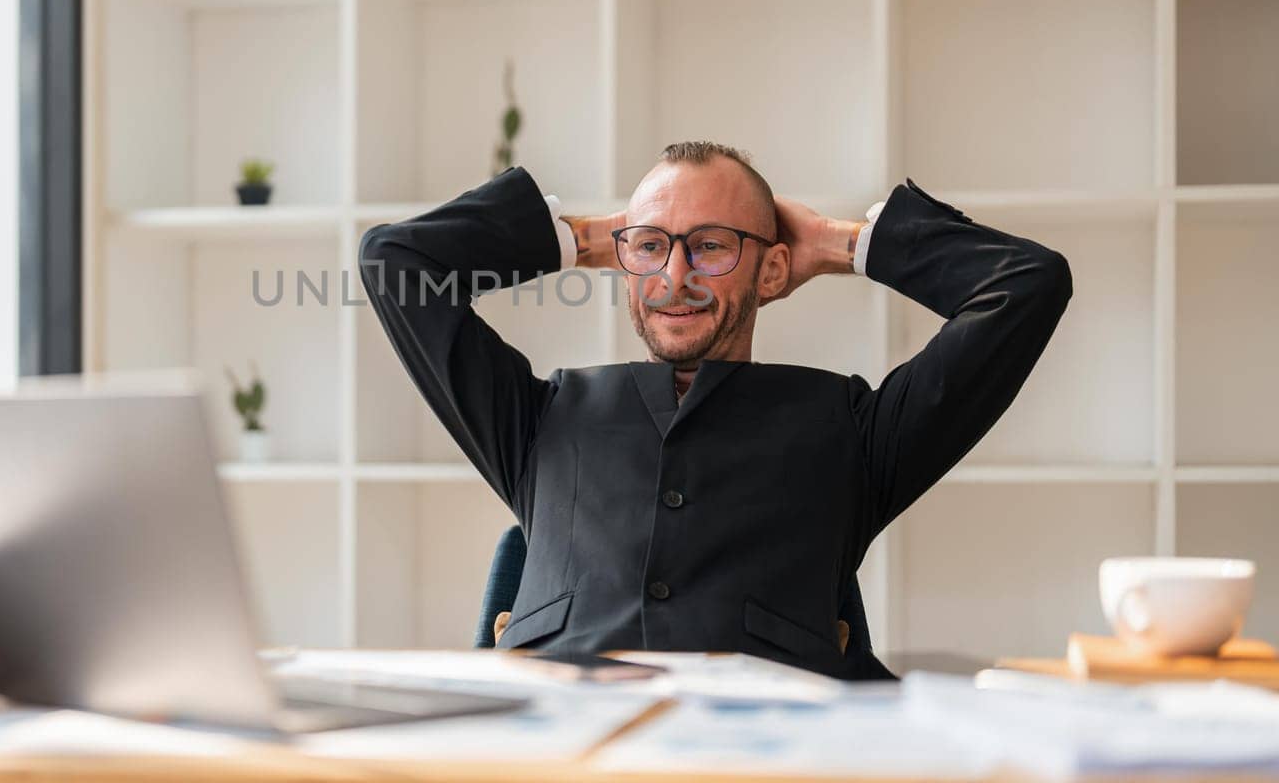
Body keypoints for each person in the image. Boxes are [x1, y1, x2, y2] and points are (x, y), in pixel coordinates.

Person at [359, 141, 1072, 680]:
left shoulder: (851, 430)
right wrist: (583, 238)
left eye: (709, 247)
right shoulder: (539, 419)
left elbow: (1026, 286)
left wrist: (840, 243)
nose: (675, 277)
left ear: (769, 269)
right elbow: (394, 262)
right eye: (651, 248)